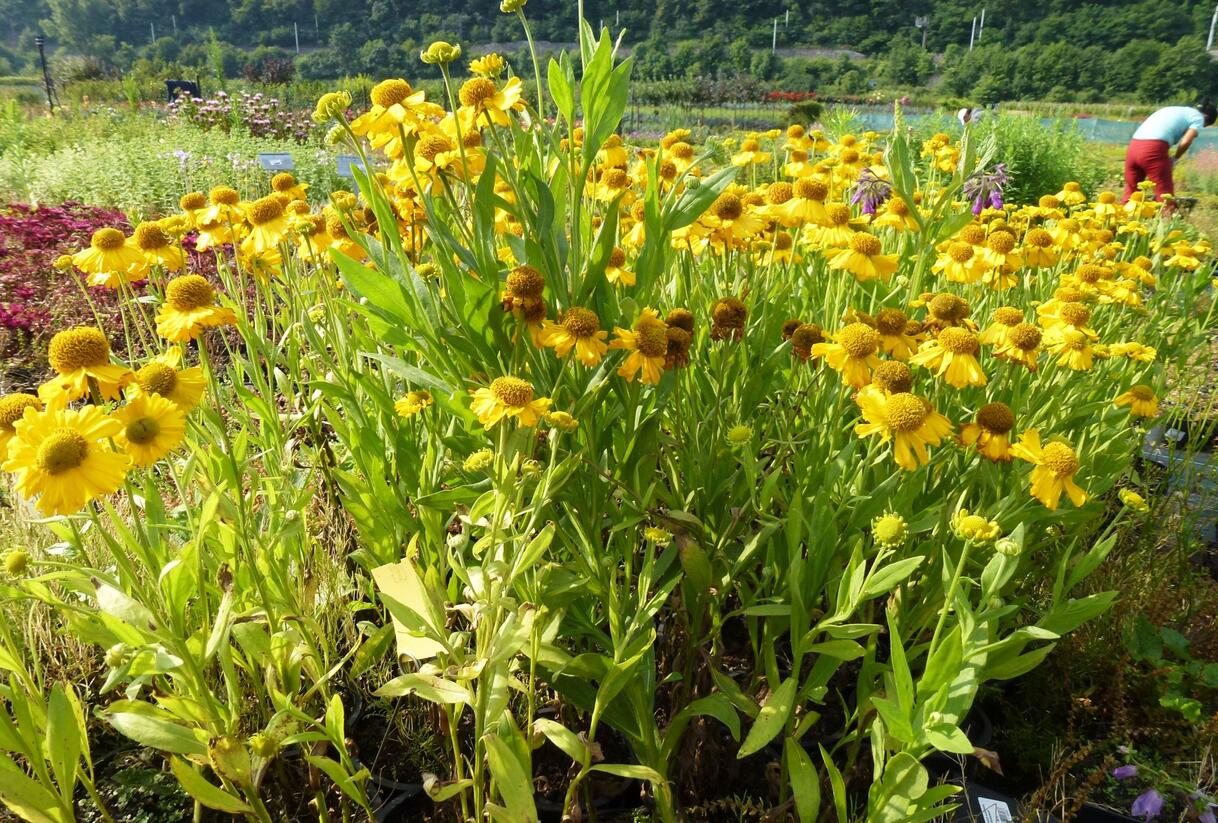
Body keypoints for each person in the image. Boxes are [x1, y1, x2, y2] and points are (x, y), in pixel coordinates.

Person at [1123, 102, 1217, 202]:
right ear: (1206, 117)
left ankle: (1121, 215)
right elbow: (1186, 141)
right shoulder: (1198, 118)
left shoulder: (1175, 109)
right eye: (1204, 126)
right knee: (1164, 193)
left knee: (1131, 194)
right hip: (1153, 148)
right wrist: (1175, 158)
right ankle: (1167, 215)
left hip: (1134, 145)